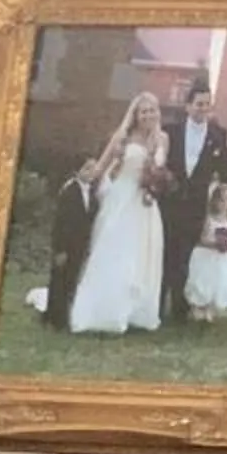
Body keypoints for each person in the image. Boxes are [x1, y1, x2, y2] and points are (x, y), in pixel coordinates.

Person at [68, 92, 167, 336]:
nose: (148, 115)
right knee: (115, 251)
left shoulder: (162, 138)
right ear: (135, 115)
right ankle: (105, 310)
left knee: (142, 255)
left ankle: (136, 311)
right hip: (121, 199)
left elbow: (161, 168)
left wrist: (156, 177)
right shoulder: (122, 137)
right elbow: (101, 167)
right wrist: (83, 180)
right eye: (143, 111)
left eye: (152, 110)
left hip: (145, 203)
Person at [158, 74, 227, 323]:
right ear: (188, 106)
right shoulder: (171, 131)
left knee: (187, 257)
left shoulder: (218, 135)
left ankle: (181, 309)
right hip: (170, 203)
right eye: (199, 104)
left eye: (207, 104)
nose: (203, 109)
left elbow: (225, 170)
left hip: (196, 206)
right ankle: (156, 306)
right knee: (165, 254)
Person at [24, 158, 100, 328]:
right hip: (66, 244)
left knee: (71, 280)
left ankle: (63, 315)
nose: (91, 173)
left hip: (80, 244)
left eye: (93, 169)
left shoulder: (92, 193)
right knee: (59, 281)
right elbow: (61, 222)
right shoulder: (70, 191)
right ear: (77, 170)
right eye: (87, 169)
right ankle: (54, 318)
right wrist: (60, 249)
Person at [184, 177, 227, 324]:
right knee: (205, 282)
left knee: (219, 281)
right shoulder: (209, 219)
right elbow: (202, 239)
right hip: (208, 254)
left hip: (223, 257)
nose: (225, 204)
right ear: (214, 201)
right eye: (222, 200)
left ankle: (211, 308)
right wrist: (215, 244)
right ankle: (199, 307)